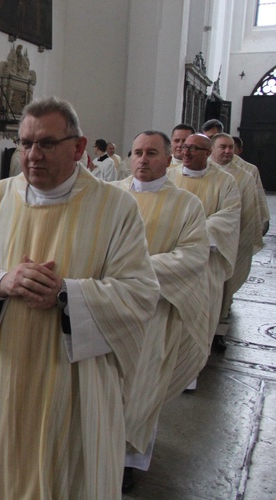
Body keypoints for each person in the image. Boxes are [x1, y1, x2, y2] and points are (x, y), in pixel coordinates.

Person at [0, 97, 159, 499]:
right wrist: (1, 281)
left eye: (46, 144)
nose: (32, 155)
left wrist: (67, 294)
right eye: (25, 144)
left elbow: (141, 293)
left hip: (73, 384)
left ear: (78, 147)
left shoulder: (116, 208)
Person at [113, 131, 210, 493]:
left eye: (152, 153)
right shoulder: (112, 195)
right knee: (106, 385)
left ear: (169, 159)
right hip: (109, 306)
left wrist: (137, 271)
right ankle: (97, 446)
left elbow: (193, 255)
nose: (142, 159)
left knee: (142, 387)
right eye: (137, 152)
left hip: (153, 312)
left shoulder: (186, 205)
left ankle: (128, 460)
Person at [167, 133, 240, 355]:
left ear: (208, 153)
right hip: (171, 256)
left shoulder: (225, 182)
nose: (186, 152)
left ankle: (192, 368)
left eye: (193, 149)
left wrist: (192, 233)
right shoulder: (169, 176)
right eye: (184, 147)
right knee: (170, 316)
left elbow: (229, 216)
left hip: (206, 260)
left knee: (200, 313)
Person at [208, 133, 262, 322]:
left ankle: (220, 329)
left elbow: (250, 211)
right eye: (223, 147)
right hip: (203, 242)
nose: (228, 151)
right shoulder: (201, 171)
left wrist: (245, 239)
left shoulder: (244, 175)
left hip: (232, 239)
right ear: (211, 149)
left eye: (231, 147)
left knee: (225, 288)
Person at [232, 136, 269, 235]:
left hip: (241, 217)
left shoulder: (250, 169)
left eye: (231, 147)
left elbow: (257, 196)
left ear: (239, 150)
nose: (227, 151)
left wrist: (262, 223)